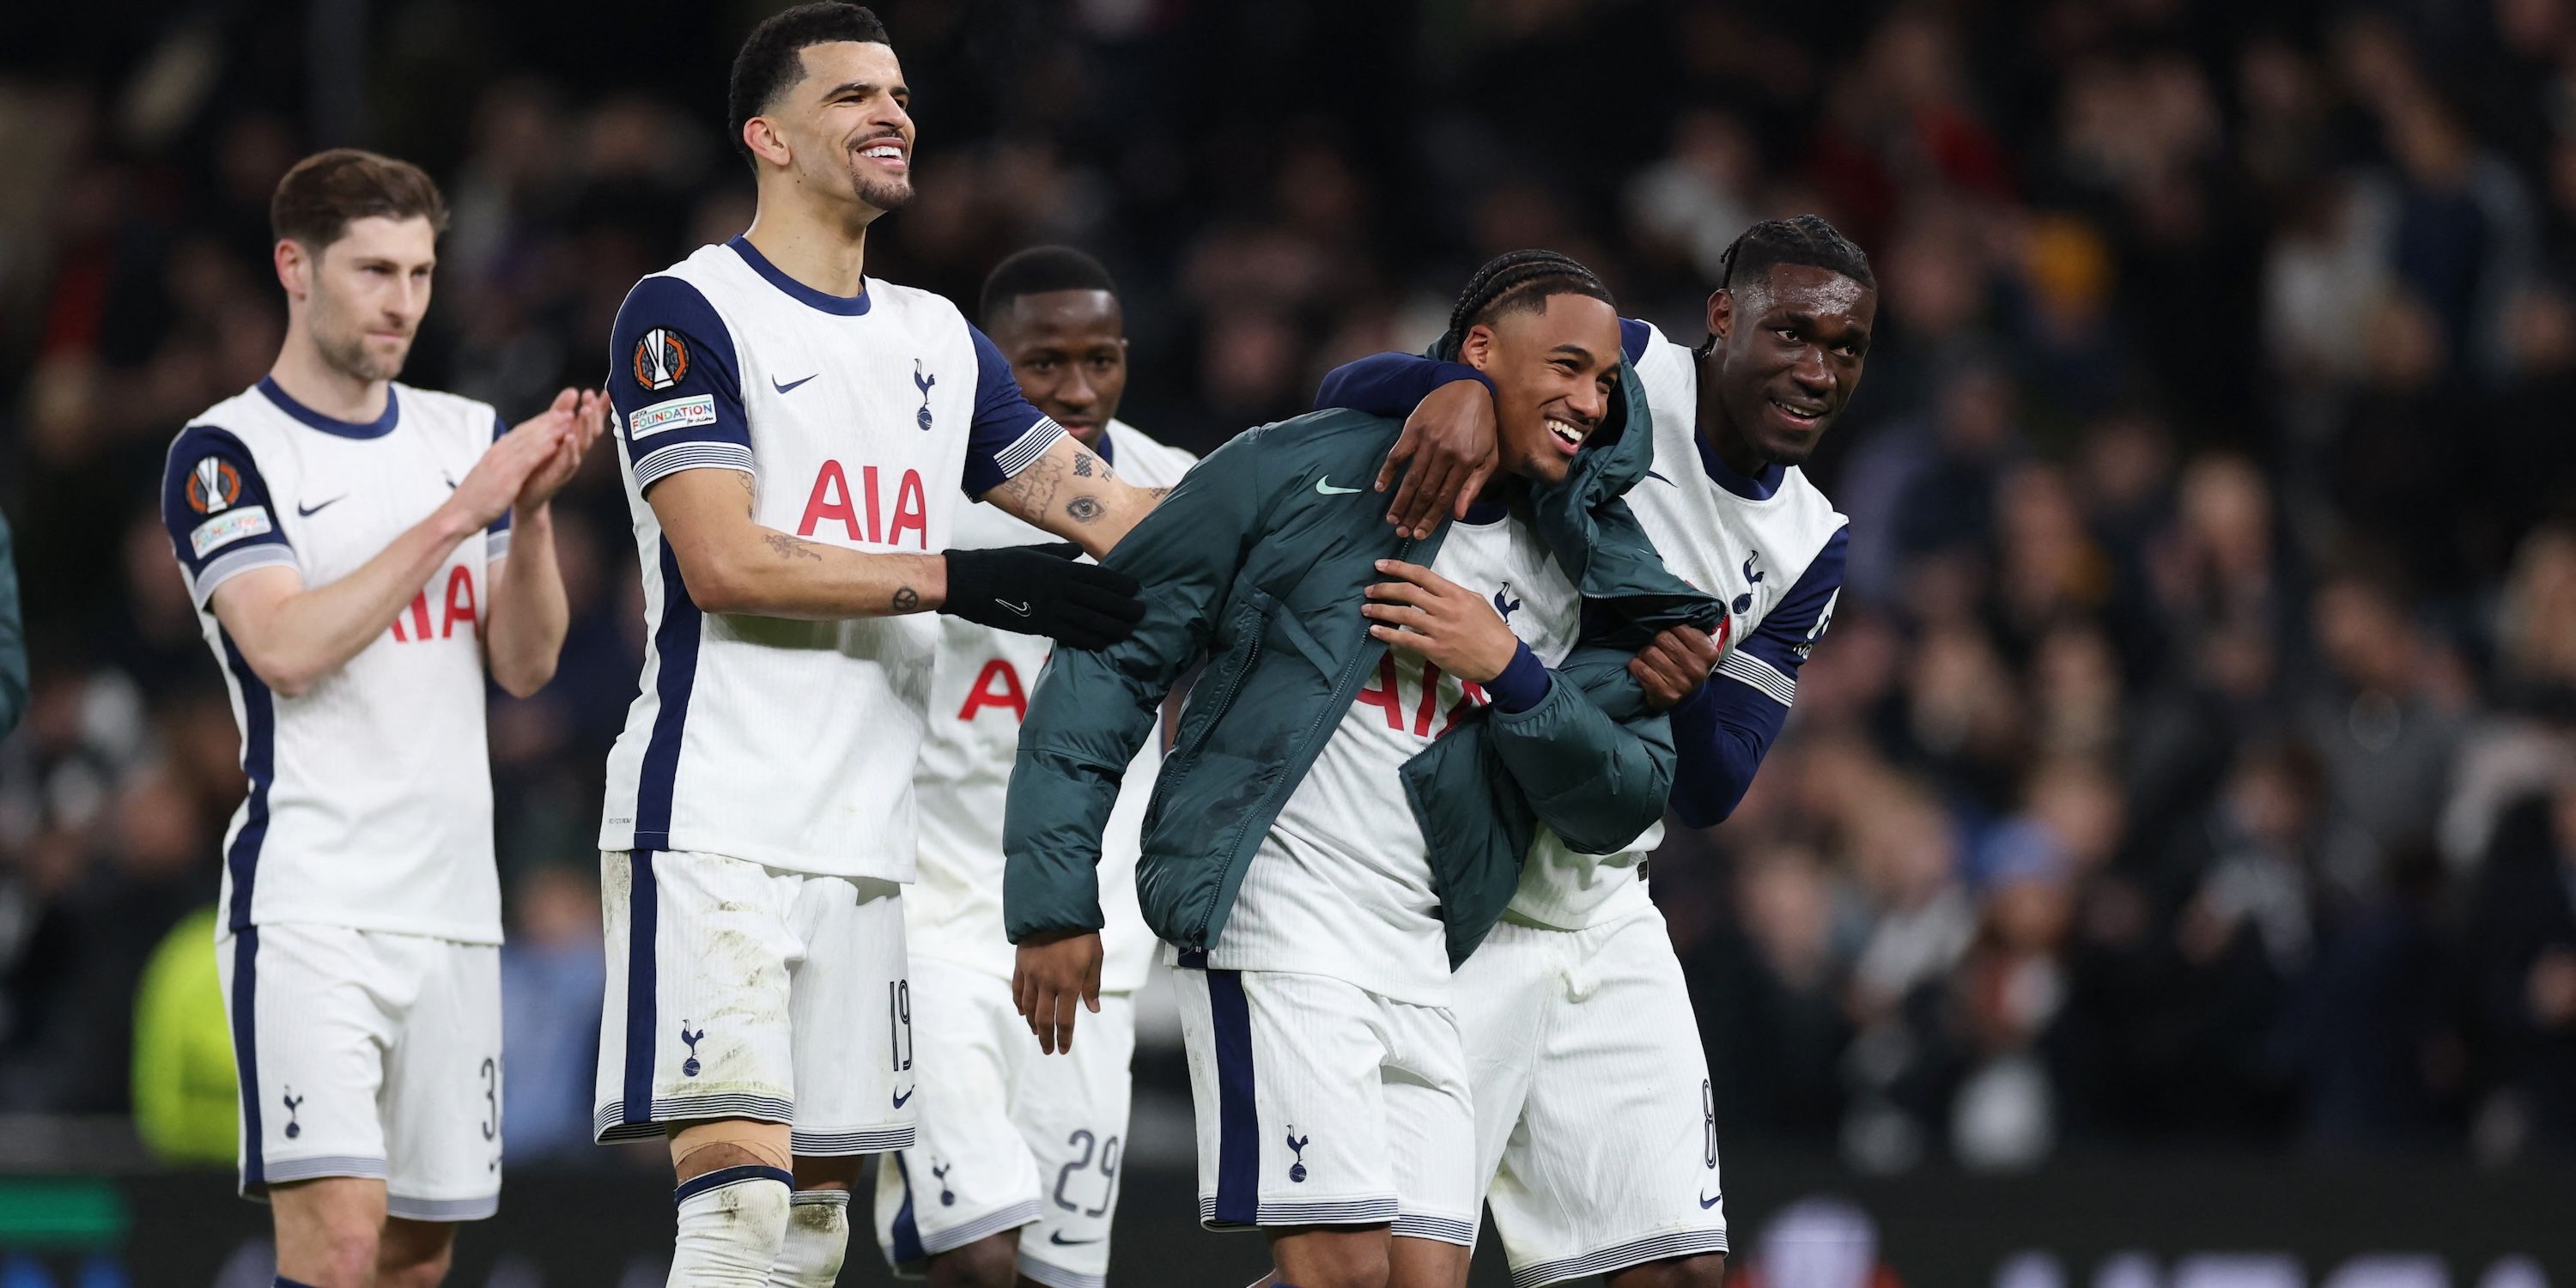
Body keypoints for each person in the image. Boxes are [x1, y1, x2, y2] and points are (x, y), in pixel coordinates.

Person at [1006, 251, 1724, 1288]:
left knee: (1420, 1283)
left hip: (1430, 953)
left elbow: (1625, 800)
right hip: (1282, 915)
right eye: (1566, 365)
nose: (1589, 399)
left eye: (1607, 383)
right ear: (1478, 352)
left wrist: (1513, 674)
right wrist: (1055, 899)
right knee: (1342, 1273)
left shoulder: (1594, 565)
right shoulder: (1299, 466)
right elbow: (1114, 656)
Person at [587, 8, 1163, 1286]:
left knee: (815, 1225)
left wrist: (1358, 471)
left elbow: (1111, 511)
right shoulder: (685, 311)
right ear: (769, 138)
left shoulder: (936, 340)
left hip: (868, 844)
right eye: (852, 96)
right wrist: (963, 579)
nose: (892, 113)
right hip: (718, 817)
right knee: (737, 1207)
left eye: (898, 94)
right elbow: (723, 561)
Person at [1311, 217, 1876, 1288]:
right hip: (1440, 897)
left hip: (1598, 907)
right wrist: (1468, 396)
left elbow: (1712, 786)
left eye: (1845, 349)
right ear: (1723, 319)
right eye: (1791, 333)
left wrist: (1693, 671)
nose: (1816, 370)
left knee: (1668, 1276)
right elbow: (1350, 388)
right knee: (1367, 1279)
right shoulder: (1619, 365)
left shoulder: (1810, 539)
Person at [158, 148, 603, 1288]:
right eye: (374, 271)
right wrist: (465, 514)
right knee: (340, 1244)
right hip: (312, 906)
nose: (404, 301)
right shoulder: (225, 454)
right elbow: (285, 646)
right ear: (293, 269)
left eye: (420, 271)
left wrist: (535, 516)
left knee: (415, 1258)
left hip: (454, 910)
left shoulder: (463, 432)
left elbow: (524, 663)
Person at [872, 246, 1195, 1288]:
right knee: (979, 1251)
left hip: (1093, 940)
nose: (1077, 389)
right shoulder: (916, 484)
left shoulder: (1172, 489)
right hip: (927, 919)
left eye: (1100, 359)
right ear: (987, 364)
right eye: (1043, 363)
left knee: (1056, 1272)